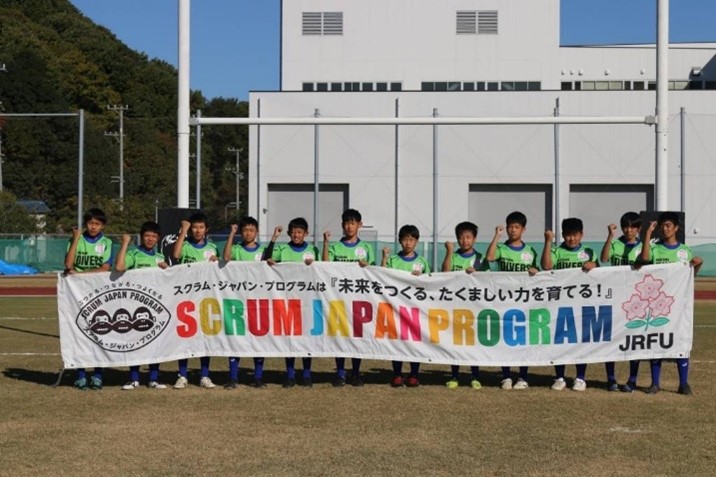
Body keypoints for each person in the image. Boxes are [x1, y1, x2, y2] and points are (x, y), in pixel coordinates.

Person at [640, 212, 703, 395]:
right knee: (656, 342)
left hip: (678, 306)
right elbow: (644, 259)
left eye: (668, 225)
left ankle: (683, 383)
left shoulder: (685, 251)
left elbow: (689, 277)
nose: (665, 228)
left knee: (680, 342)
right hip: (657, 305)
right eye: (663, 226)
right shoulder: (655, 249)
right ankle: (655, 383)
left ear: (676, 228)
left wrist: (697, 265)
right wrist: (648, 234)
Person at [222, 217, 281, 389]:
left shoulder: (263, 250)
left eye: (251, 230)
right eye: (245, 230)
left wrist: (274, 238)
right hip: (238, 300)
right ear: (241, 232)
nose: (248, 233)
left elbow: (270, 262)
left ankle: (258, 377)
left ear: (257, 232)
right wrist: (231, 234)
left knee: (259, 338)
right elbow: (226, 257)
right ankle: (233, 377)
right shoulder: (237, 249)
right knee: (236, 337)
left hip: (258, 301)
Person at [541, 217, 597, 391]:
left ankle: (580, 377)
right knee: (560, 339)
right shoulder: (557, 251)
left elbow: (599, 270)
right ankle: (559, 377)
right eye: (568, 235)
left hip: (582, 304)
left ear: (581, 235)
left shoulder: (589, 252)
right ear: (563, 235)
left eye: (575, 235)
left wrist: (594, 264)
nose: (571, 238)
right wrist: (548, 241)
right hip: (561, 304)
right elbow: (546, 266)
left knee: (581, 340)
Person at [486, 211, 539, 390]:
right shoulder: (502, 248)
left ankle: (523, 376)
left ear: (523, 229)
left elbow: (538, 272)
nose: (513, 230)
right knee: (505, 339)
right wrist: (497, 236)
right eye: (510, 227)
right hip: (504, 301)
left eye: (516, 227)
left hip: (525, 302)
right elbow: (490, 257)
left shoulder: (530, 251)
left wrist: (535, 271)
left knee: (523, 339)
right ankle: (506, 376)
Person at [322, 208, 375, 387]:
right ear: (342, 225)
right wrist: (326, 244)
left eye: (353, 223)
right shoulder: (335, 247)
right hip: (339, 299)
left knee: (357, 336)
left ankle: (356, 373)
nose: (349, 227)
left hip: (359, 299)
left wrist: (367, 267)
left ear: (360, 225)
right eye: (346, 223)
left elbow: (374, 272)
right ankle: (340, 372)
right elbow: (325, 267)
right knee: (340, 336)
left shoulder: (366, 248)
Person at [115, 221, 169, 390]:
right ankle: (134, 378)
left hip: (155, 307)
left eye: (154, 236)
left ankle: (153, 378)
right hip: (135, 306)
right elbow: (119, 267)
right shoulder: (134, 254)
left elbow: (168, 280)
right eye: (147, 235)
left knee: (155, 343)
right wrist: (125, 244)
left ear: (158, 238)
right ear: (141, 236)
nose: (150, 239)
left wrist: (167, 269)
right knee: (135, 342)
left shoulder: (159, 257)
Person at [64, 207, 113, 390]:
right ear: (86, 223)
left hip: (99, 293)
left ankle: (98, 375)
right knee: (78, 334)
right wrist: (76, 239)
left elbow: (105, 268)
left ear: (103, 226)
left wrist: (81, 275)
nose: (93, 227)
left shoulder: (107, 243)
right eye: (91, 223)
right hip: (76, 294)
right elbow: (68, 265)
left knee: (99, 332)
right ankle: (81, 375)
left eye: (97, 224)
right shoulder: (75, 240)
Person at [268, 217, 319, 387]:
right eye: (293, 232)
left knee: (307, 338)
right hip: (287, 300)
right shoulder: (282, 249)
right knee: (289, 336)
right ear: (289, 233)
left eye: (299, 232)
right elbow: (265, 261)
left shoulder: (313, 250)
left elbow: (322, 269)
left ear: (306, 233)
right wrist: (274, 239)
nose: (296, 235)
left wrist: (315, 265)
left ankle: (306, 373)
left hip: (307, 300)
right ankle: (290, 374)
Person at [172, 212, 219, 389]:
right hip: (186, 298)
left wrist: (217, 261)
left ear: (206, 229)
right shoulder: (184, 245)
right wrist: (183, 231)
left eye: (201, 227)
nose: (198, 231)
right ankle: (182, 375)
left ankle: (204, 375)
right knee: (184, 337)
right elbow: (176, 255)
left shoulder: (213, 247)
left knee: (205, 337)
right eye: (194, 227)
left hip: (206, 298)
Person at [441, 221, 489, 390]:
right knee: (455, 342)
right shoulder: (453, 256)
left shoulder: (480, 258)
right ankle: (454, 376)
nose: (464, 241)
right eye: (461, 237)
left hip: (474, 307)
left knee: (472, 343)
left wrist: (476, 275)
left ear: (474, 239)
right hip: (455, 306)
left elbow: (488, 280)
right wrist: (449, 252)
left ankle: (474, 376)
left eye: (468, 237)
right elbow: (445, 273)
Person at [381, 224, 431, 388]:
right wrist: (384, 258)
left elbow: (429, 284)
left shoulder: (422, 262)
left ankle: (414, 374)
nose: (408, 243)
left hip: (415, 309)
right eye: (405, 239)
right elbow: (381, 278)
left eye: (411, 239)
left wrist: (421, 278)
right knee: (397, 341)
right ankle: (397, 374)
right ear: (400, 241)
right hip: (396, 308)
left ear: (417, 241)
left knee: (415, 341)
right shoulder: (393, 260)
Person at [599, 212, 643, 392]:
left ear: (638, 229)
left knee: (634, 340)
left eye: (633, 227)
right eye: (626, 226)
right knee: (611, 339)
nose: (628, 230)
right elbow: (604, 259)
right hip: (614, 297)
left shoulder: (644, 247)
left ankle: (632, 380)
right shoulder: (616, 244)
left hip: (635, 300)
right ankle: (611, 378)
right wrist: (610, 236)